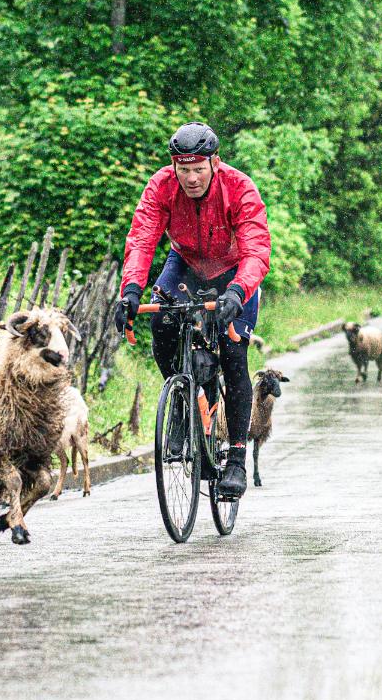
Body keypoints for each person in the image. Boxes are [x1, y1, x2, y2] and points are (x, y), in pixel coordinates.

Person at [114, 122, 271, 501]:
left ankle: (235, 458)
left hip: (233, 272)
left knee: (234, 357)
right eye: (183, 169)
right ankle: (184, 402)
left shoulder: (239, 187)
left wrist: (237, 291)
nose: (191, 178)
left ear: (214, 163)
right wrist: (131, 290)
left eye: (199, 168)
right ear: (174, 166)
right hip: (185, 263)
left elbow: (256, 249)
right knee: (162, 324)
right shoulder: (162, 185)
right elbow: (142, 237)